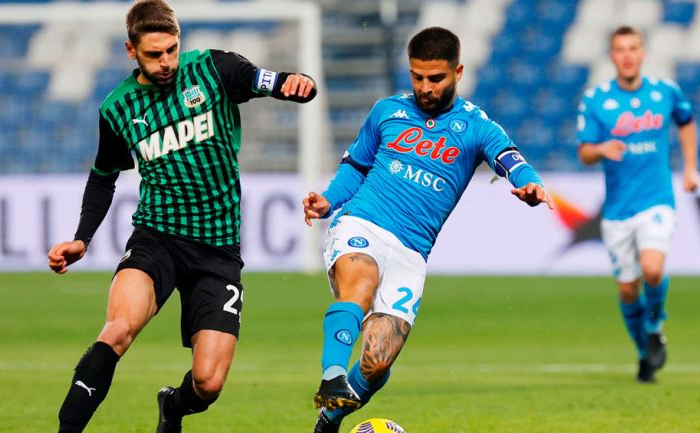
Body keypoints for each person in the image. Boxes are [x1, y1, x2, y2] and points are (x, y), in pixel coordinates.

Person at [46, 1, 316, 432]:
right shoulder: (118, 110)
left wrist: (297, 83)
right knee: (118, 329)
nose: (166, 61)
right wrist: (82, 238)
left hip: (217, 249)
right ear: (131, 50)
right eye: (154, 54)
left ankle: (173, 405)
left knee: (208, 384)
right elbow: (103, 177)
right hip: (157, 238)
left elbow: (271, 81)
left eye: (171, 49)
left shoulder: (214, 69)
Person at [302, 27, 553, 433]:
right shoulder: (387, 111)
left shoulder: (475, 125)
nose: (425, 87)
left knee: (377, 360)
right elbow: (356, 166)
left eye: (435, 78)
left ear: (458, 72)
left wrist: (529, 184)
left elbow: (509, 157)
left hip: (412, 252)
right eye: (417, 77)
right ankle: (332, 375)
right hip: (363, 221)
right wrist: (330, 200)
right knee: (359, 283)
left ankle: (329, 418)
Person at [576, 25, 697, 383]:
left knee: (653, 268)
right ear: (612, 56)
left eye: (633, 48)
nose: (627, 55)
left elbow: (687, 122)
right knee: (628, 288)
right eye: (620, 49)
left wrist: (691, 167)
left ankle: (656, 326)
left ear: (643, 53)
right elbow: (584, 152)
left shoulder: (665, 92)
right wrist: (601, 149)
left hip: (657, 199)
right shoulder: (596, 99)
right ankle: (645, 352)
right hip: (617, 210)